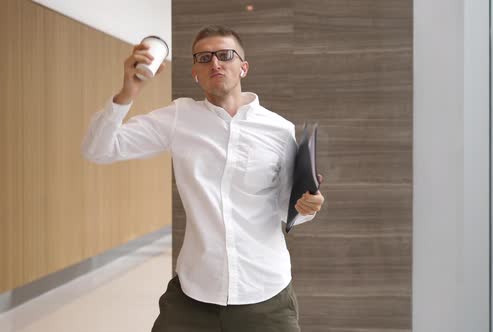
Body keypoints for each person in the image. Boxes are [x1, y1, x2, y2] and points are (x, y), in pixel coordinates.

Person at [81, 25, 325, 332]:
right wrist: (127, 92)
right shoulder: (179, 118)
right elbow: (98, 150)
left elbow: (286, 209)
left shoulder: (279, 130)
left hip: (265, 295)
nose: (215, 63)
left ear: (243, 67)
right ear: (195, 72)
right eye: (204, 58)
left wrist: (307, 207)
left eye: (225, 55)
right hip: (193, 295)